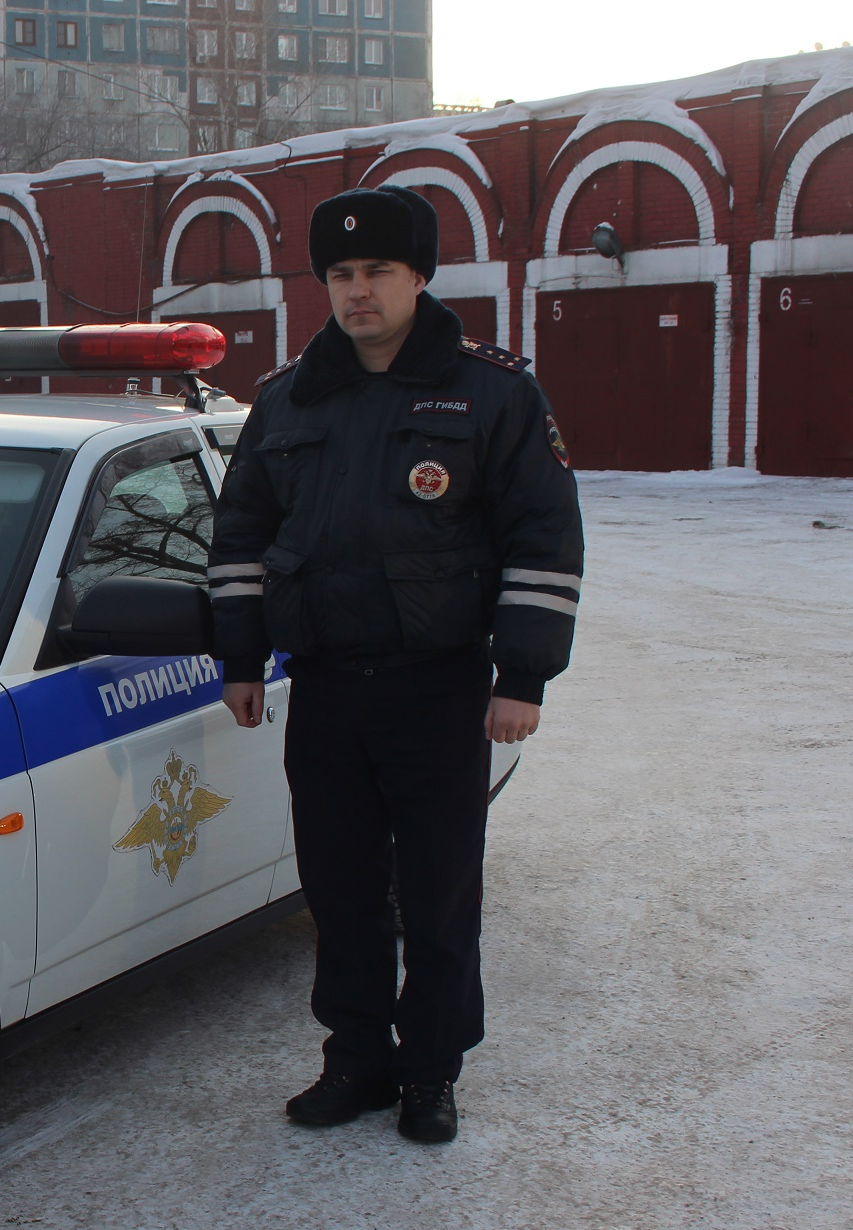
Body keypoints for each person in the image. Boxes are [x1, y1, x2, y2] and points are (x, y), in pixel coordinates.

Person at [207, 186, 585, 1144]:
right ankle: (358, 1061)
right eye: (340, 274)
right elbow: (243, 534)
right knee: (337, 890)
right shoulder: (289, 399)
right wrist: (242, 656)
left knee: (438, 893)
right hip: (327, 686)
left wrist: (523, 677)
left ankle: (431, 1072)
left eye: (377, 271)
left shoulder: (494, 393)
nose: (358, 291)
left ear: (419, 277)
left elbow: (542, 538)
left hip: (437, 687)